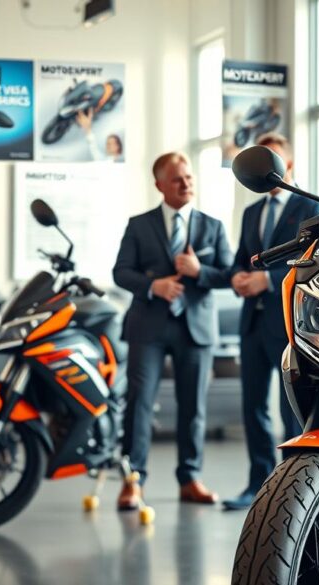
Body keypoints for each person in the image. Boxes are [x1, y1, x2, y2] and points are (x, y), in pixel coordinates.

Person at [113, 152, 233, 509]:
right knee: (139, 403)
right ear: (159, 185)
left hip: (195, 328)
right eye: (178, 179)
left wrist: (199, 271)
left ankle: (190, 478)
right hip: (147, 326)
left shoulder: (212, 226)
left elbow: (228, 274)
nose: (186, 184)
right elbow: (120, 272)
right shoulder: (139, 225)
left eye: (189, 177)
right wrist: (155, 286)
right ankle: (133, 481)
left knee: (193, 407)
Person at [223, 133, 319, 511]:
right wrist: (237, 277)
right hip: (251, 323)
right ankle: (257, 485)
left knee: (289, 410)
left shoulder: (310, 209)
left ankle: (290, 495)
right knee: (253, 408)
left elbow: (311, 263)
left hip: (287, 326)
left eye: (273, 162)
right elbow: (241, 259)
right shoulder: (252, 212)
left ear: (288, 166)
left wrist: (266, 279)